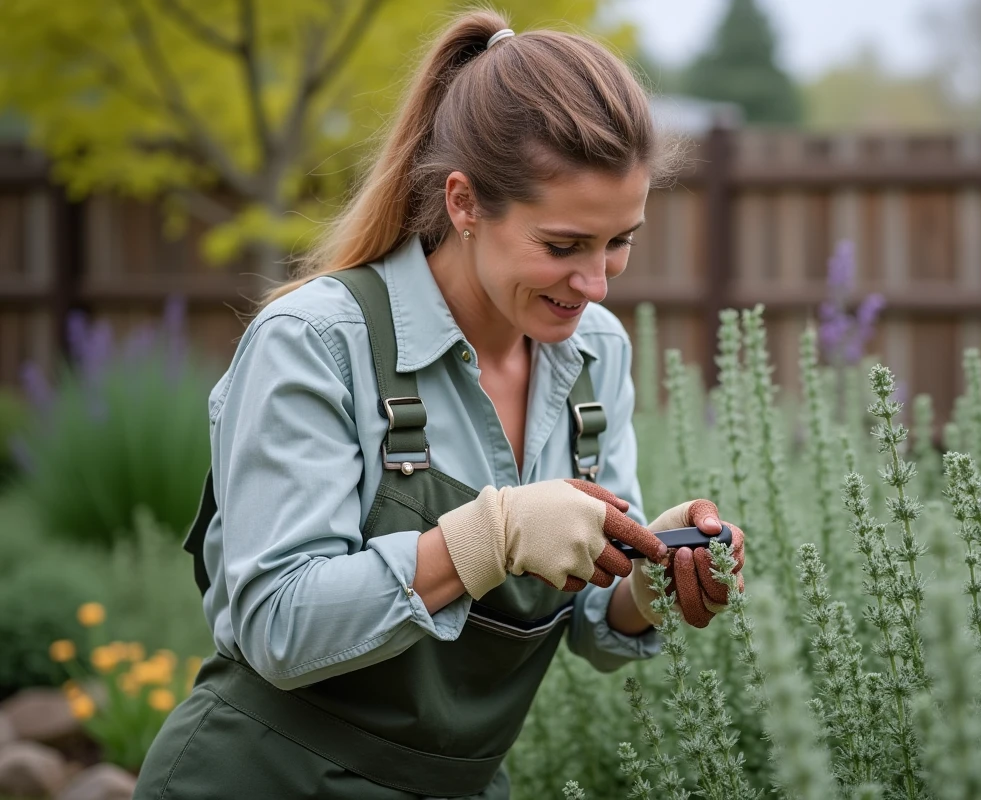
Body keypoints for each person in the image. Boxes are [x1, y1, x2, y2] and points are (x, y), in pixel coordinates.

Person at [134, 10, 746, 800]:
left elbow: (593, 624)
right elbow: (279, 624)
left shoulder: (597, 354)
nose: (597, 283)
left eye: (620, 240)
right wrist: (489, 536)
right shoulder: (318, 340)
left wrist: (657, 576)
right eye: (563, 246)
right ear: (463, 203)